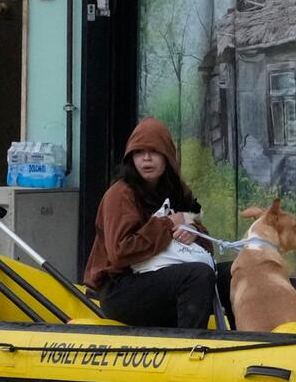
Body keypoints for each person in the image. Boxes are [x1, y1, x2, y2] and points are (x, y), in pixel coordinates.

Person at [83, 117, 220, 329]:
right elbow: (120, 252)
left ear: (168, 157)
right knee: (198, 276)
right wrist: (167, 224)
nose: (146, 159)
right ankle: (189, 348)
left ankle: (246, 340)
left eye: (154, 152)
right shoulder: (120, 194)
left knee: (231, 273)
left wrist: (193, 230)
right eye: (139, 152)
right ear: (131, 158)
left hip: (165, 277)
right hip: (122, 289)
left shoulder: (178, 191)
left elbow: (206, 247)